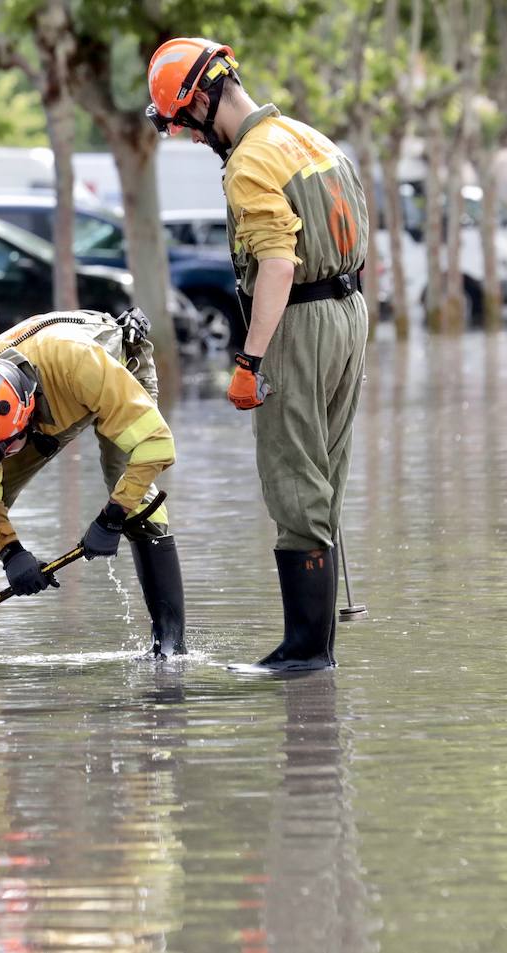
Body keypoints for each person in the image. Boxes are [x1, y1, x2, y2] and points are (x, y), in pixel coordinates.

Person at [146, 38, 368, 672]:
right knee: (325, 473)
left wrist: (248, 362)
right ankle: (316, 647)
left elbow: (277, 263)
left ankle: (304, 653)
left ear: (202, 100)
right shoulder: (310, 138)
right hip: (350, 315)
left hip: (298, 323)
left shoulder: (249, 162)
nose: (190, 138)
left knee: (293, 477)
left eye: (184, 124)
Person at [0, 308, 184, 660]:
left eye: (1, 452)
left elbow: (157, 445)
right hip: (32, 413)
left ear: (25, 415)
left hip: (109, 370)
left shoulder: (83, 364)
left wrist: (112, 516)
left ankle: (170, 645)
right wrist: (10, 552)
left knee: (136, 501)